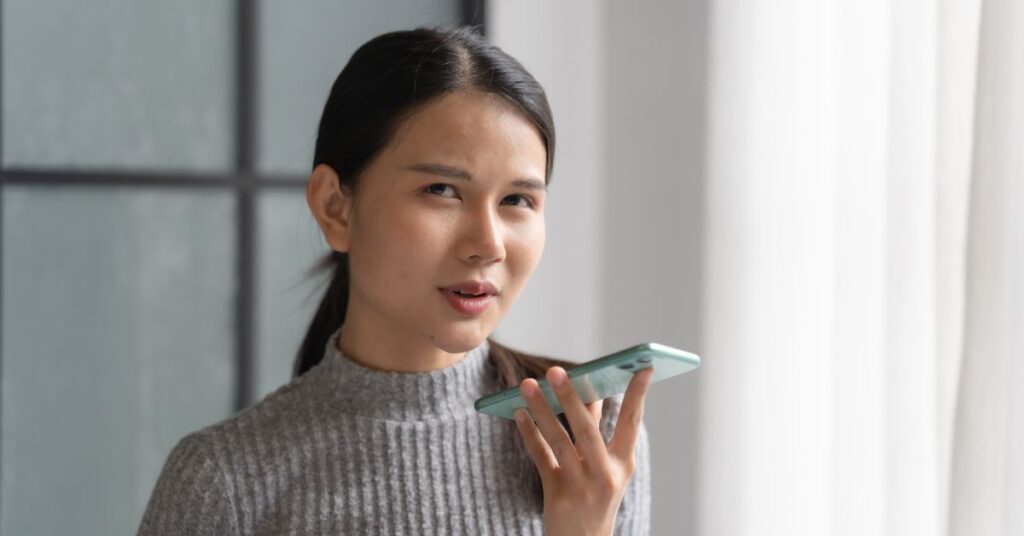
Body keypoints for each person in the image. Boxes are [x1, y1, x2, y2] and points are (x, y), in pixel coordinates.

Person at [137, 25, 652, 536]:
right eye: (442, 190)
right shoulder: (226, 482)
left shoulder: (589, 435)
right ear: (335, 207)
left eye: (517, 200)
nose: (489, 244)